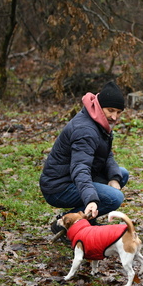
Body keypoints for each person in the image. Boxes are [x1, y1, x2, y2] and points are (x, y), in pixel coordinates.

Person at [40, 81, 128, 233]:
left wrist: (114, 178)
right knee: (114, 198)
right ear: (100, 107)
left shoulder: (99, 120)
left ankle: (87, 222)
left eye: (119, 112)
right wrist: (91, 199)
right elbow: (80, 168)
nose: (114, 117)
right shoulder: (85, 130)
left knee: (121, 174)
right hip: (58, 187)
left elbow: (106, 154)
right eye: (111, 110)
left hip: (71, 177)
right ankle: (64, 223)